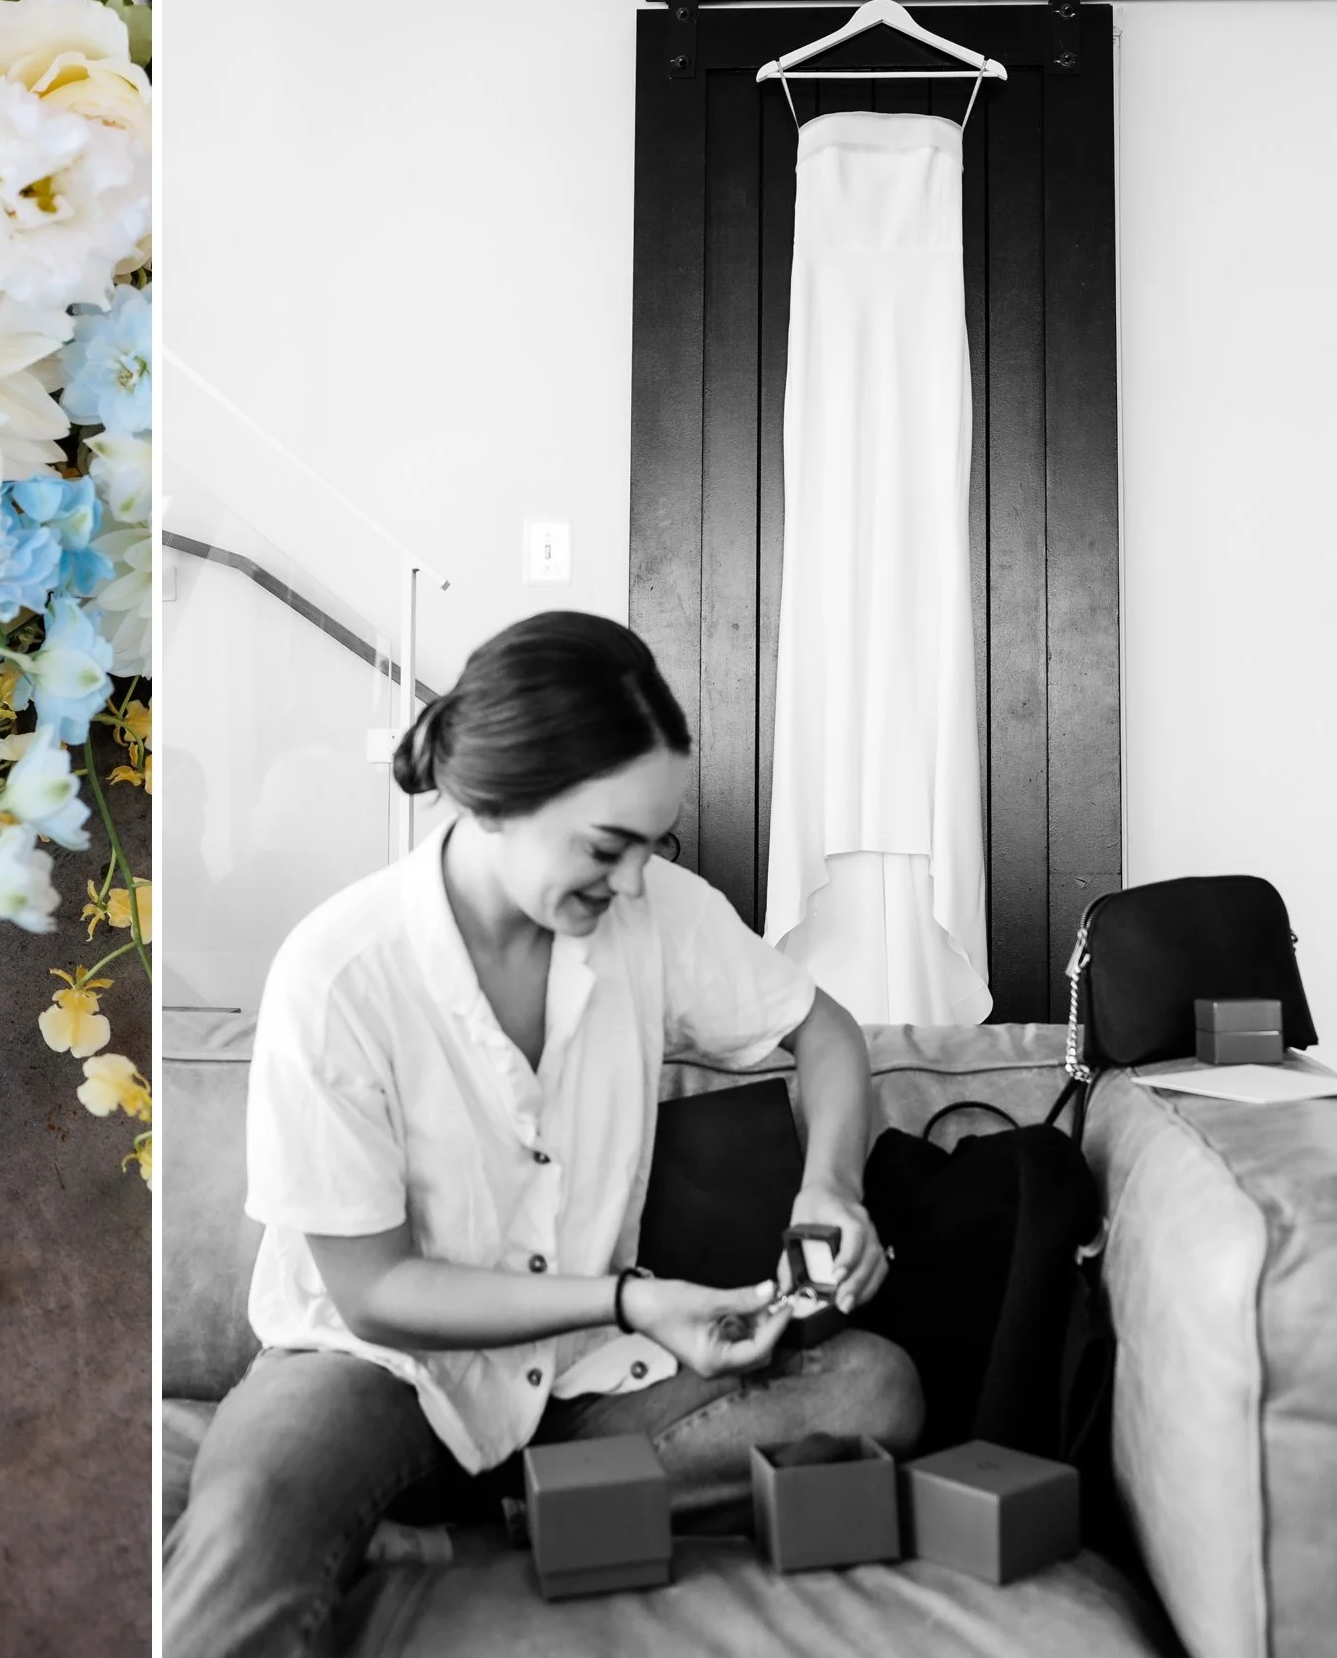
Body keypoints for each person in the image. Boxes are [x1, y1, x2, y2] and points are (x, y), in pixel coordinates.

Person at [163, 611, 922, 1658]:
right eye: (608, 847)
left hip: (577, 1377)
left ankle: (483, 1526)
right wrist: (631, 1297)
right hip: (369, 1368)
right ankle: (519, 1516)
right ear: (494, 799)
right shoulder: (336, 972)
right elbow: (377, 1294)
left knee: (873, 1385)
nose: (632, 884)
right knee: (241, 1536)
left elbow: (824, 1031)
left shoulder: (655, 915)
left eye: (652, 848)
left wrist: (828, 1186)